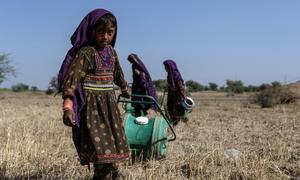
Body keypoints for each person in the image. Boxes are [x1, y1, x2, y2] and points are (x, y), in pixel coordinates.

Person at [57, 9, 130, 179]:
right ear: (92, 31)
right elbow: (72, 80)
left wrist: (125, 89)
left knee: (111, 148)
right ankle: (102, 174)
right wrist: (68, 107)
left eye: (109, 32)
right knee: (99, 150)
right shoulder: (86, 53)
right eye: (100, 32)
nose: (105, 36)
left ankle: (112, 172)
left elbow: (118, 75)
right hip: (92, 110)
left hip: (110, 108)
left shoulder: (111, 52)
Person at [163, 60, 187, 125]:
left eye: (165, 67)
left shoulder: (176, 75)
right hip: (172, 96)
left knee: (176, 110)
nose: (164, 68)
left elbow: (180, 87)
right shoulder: (170, 75)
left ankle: (175, 124)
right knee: (171, 109)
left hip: (177, 96)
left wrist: (183, 97)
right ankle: (173, 124)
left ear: (169, 67)